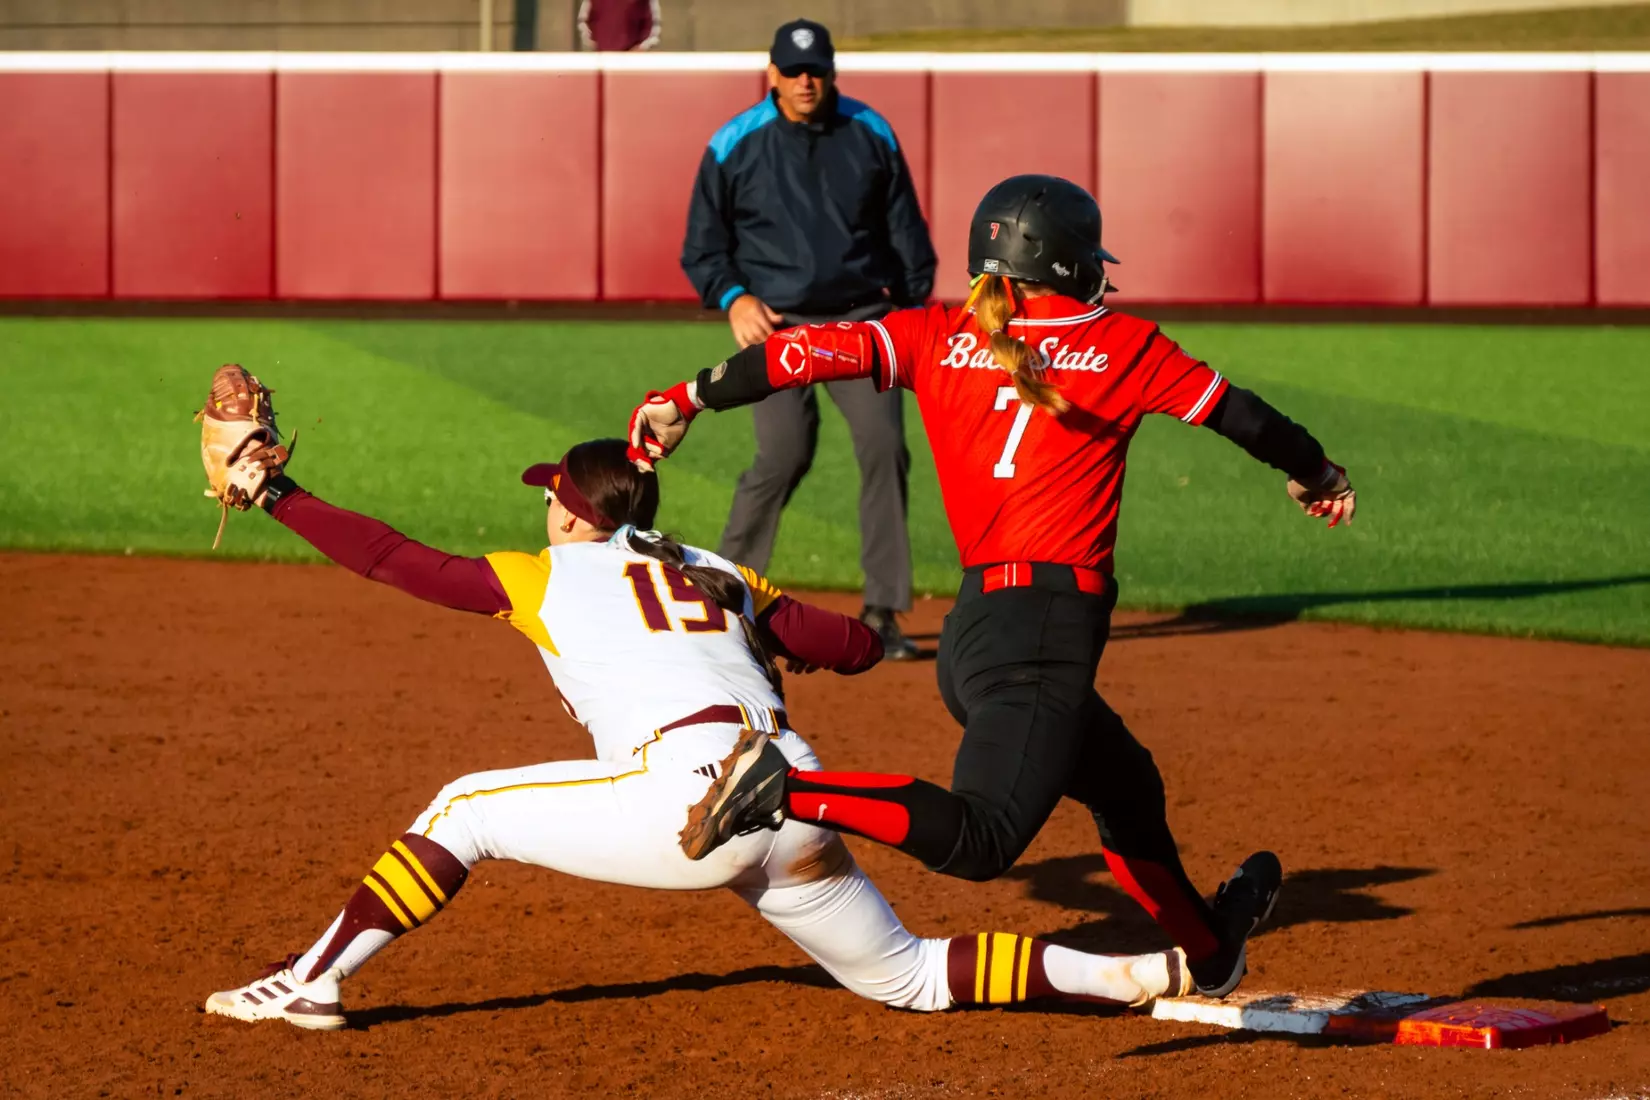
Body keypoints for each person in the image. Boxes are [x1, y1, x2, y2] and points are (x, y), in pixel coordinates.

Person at [629, 174, 1362, 1001]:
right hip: (1043, 635)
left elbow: (800, 353)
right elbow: (1246, 418)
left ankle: (1212, 952)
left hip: (981, 633)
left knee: (1128, 788)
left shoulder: (933, 332)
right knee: (982, 841)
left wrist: (687, 395)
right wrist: (1317, 472)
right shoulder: (1120, 343)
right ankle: (784, 788)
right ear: (1070, 263)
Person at [200, 434, 1194, 1029]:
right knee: (905, 973)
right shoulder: (715, 566)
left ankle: (307, 981)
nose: (547, 507)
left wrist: (278, 493)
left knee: (463, 807)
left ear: (575, 514)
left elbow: (392, 557)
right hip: (794, 787)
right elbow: (852, 644)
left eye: (553, 495)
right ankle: (1131, 972)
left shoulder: (548, 571)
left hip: (688, 794)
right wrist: (768, 624)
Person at [681, 18, 936, 660]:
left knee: (884, 449)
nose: (805, 81)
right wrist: (733, 297)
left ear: (832, 71)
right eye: (793, 71)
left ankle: (883, 611)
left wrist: (909, 312)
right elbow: (703, 248)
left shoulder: (869, 132)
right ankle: (724, 597)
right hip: (777, 324)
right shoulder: (734, 143)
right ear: (771, 73)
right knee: (782, 455)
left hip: (863, 322)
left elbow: (907, 235)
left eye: (816, 69)